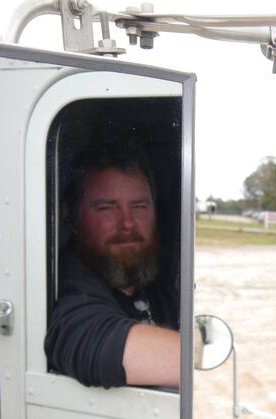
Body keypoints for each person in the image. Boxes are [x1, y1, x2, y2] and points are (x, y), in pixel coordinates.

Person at [45, 146, 180, 389]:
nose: (127, 222)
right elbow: (89, 339)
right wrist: (207, 363)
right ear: (71, 214)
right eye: (107, 208)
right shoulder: (64, 279)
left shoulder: (151, 273)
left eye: (139, 206)